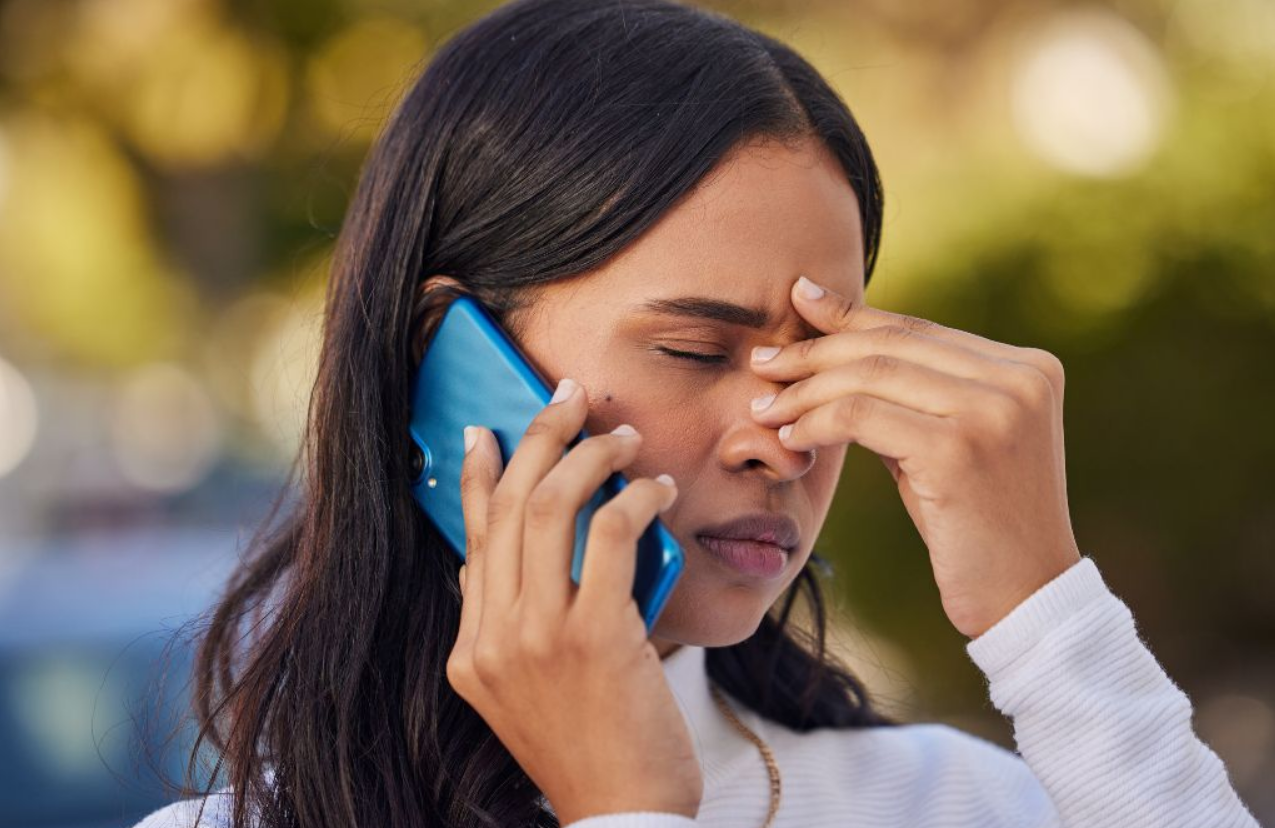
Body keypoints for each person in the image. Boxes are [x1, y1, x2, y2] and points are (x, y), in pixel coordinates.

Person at [135, 0, 1261, 826]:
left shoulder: (960, 802)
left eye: (824, 358)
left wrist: (1049, 620)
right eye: (694, 349)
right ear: (446, 363)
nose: (790, 432)